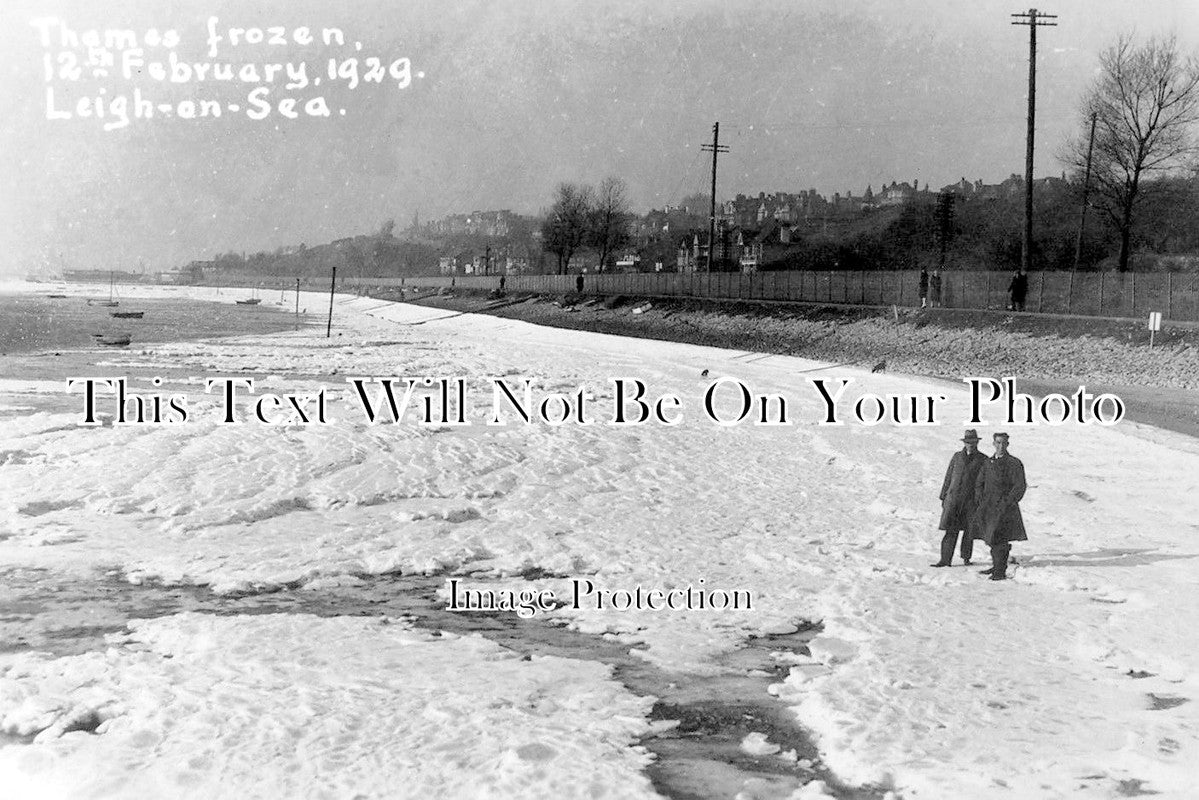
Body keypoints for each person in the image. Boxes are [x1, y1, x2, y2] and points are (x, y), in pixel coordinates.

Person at [973, 432, 1027, 581]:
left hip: (1005, 509)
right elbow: (980, 482)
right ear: (993, 444)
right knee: (991, 538)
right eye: (998, 442)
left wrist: (1007, 502)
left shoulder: (1014, 463)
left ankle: (1000, 571)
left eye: (1004, 443)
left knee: (1001, 539)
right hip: (988, 507)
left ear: (1008, 444)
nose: (1001, 446)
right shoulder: (988, 462)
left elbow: (1020, 486)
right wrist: (980, 499)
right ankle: (996, 565)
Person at [931, 429, 987, 567]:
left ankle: (966, 558)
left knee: (969, 532)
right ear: (964, 443)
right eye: (968, 442)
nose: (970, 445)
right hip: (954, 500)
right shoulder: (957, 457)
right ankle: (945, 560)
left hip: (971, 502)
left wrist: (980, 501)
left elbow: (983, 482)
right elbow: (948, 477)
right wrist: (943, 496)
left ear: (977, 442)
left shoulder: (983, 459)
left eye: (973, 442)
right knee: (950, 530)